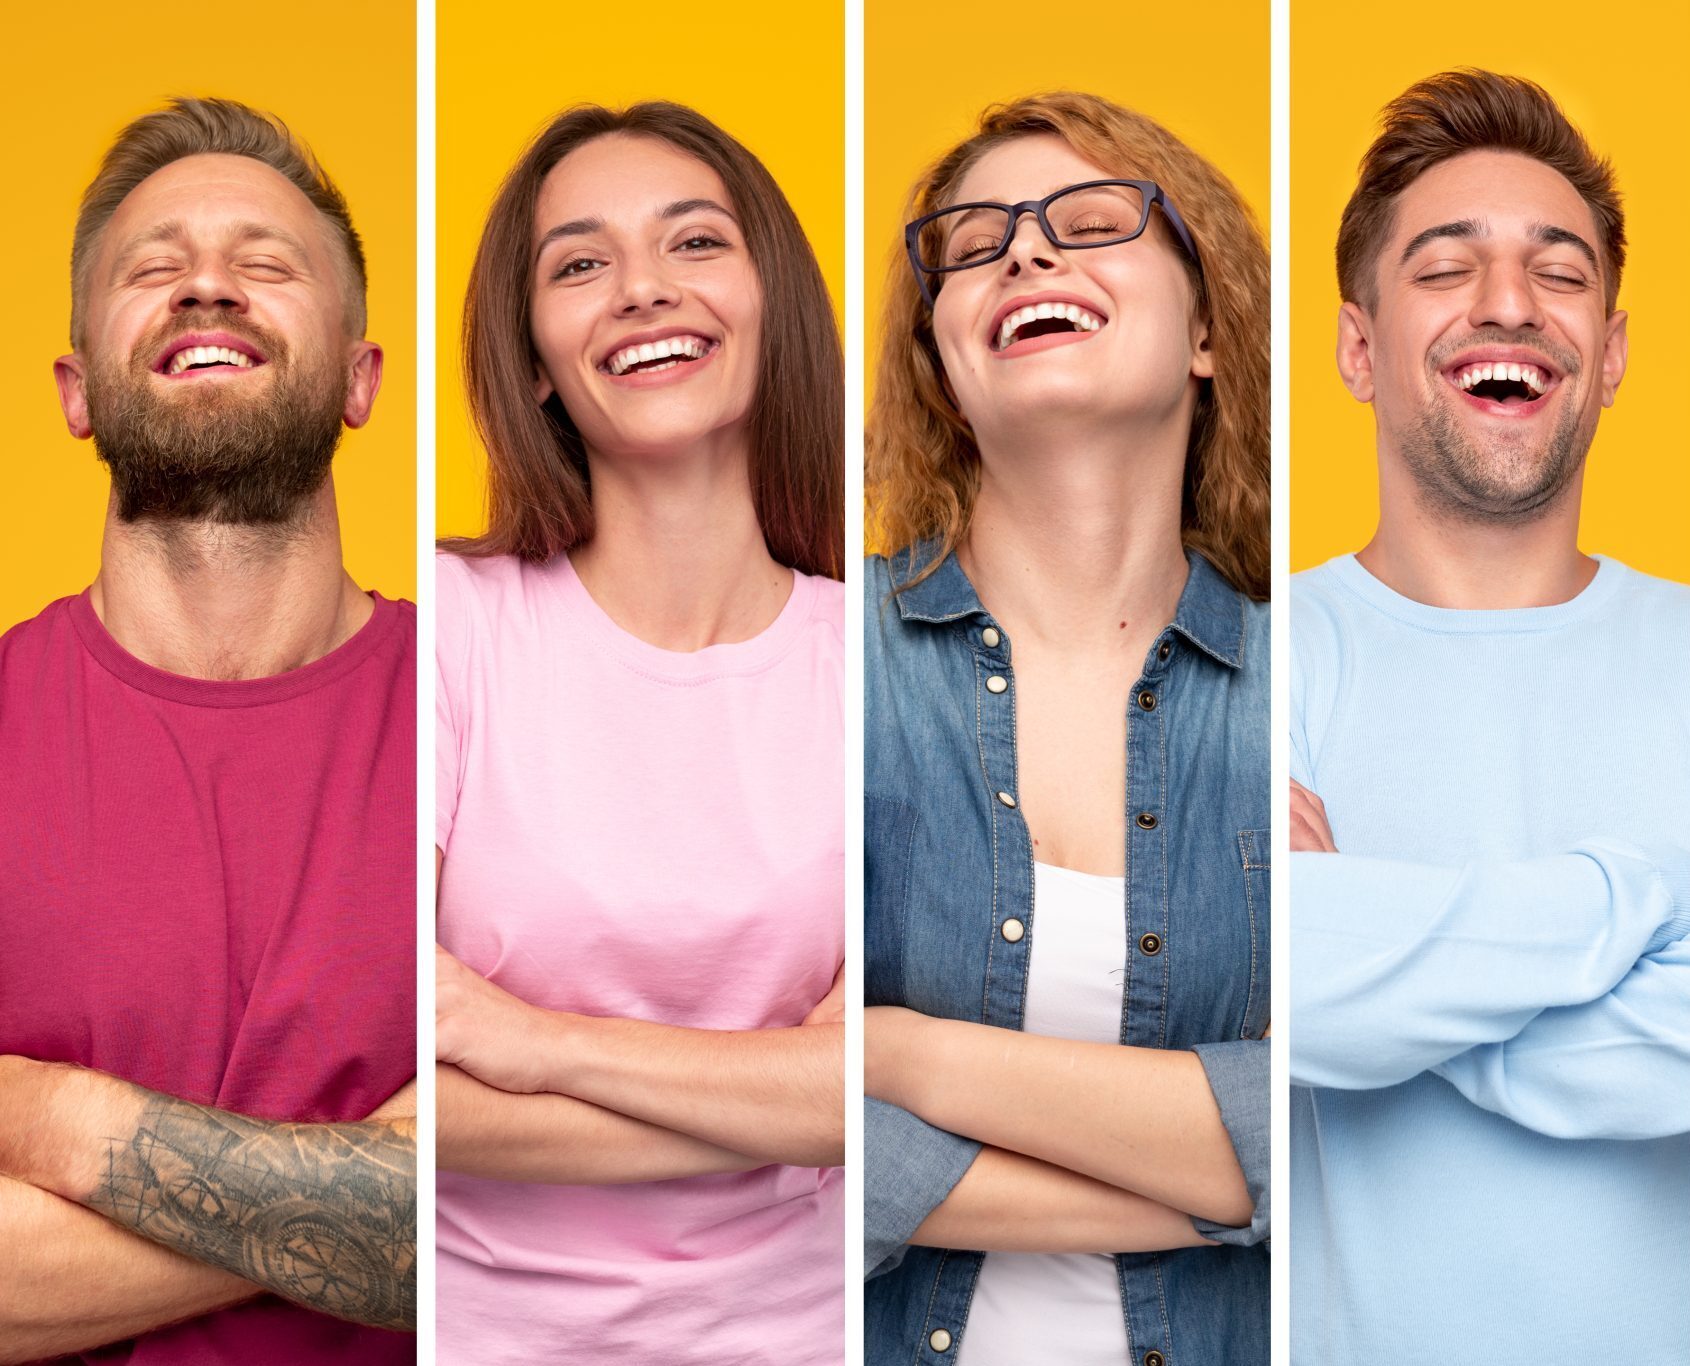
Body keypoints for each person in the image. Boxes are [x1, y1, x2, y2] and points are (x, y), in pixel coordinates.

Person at [0, 98, 417, 1363]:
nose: (208, 289)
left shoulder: (500, 712)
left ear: (358, 379)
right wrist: (360, 1196)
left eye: (266, 263)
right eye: (155, 267)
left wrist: (62, 1124)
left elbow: (525, 1207)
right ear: (76, 392)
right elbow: (430, 1206)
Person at [432, 102, 844, 1365]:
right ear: (538, 360)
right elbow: (393, 1097)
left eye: (695, 243)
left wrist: (527, 1042)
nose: (641, 289)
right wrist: (780, 1099)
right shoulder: (449, 626)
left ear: (772, 306)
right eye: (579, 263)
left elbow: (888, 1082)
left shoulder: (884, 655)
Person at [863, 91, 1270, 1366]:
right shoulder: (811, 662)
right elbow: (788, 1147)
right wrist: (1226, 1188)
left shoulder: (1320, 684)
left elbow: (1340, 1123)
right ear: (940, 360)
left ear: (1207, 329)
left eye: (1092, 222)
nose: (1024, 254)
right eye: (972, 243)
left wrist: (898, 1054)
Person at [1290, 69, 1690, 1364]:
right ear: (1357, 346)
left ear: (1612, 353)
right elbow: (1255, 985)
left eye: (1556, 271)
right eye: (1445, 266)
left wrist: (1372, 953)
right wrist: (1630, 906)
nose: (1505, 303)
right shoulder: (1244, 656)